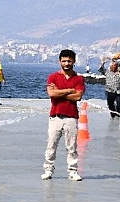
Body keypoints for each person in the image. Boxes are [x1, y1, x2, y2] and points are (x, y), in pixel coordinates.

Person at [41, 49, 86, 182]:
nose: (66, 63)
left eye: (69, 61)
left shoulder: (79, 79)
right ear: (60, 61)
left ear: (74, 61)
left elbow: (78, 96)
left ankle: (72, 171)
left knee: (72, 146)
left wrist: (59, 92)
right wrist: (68, 90)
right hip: (55, 116)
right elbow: (51, 94)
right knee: (51, 144)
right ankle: (48, 169)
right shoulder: (53, 77)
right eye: (64, 61)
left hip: (71, 117)